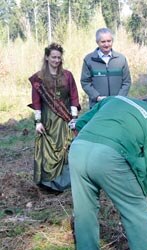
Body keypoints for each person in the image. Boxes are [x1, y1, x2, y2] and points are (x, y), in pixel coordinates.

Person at [68, 96, 147, 250]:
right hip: (108, 157)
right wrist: (142, 192)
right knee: (135, 206)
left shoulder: (114, 99)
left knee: (84, 209)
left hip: (78, 150)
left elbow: (81, 122)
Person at [28, 43, 80, 192]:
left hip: (65, 119)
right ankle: (48, 184)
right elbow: (36, 101)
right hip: (47, 119)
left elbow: (74, 96)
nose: (56, 60)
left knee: (67, 147)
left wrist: (74, 118)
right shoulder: (39, 78)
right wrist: (38, 122)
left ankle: (65, 183)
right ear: (46, 57)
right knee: (47, 150)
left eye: (59, 57)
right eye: (53, 57)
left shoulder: (68, 75)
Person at [81, 27, 131, 109]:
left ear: (112, 41)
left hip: (118, 105)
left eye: (109, 41)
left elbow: (126, 82)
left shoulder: (121, 59)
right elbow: (85, 82)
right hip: (97, 106)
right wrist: (97, 97)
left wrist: (119, 98)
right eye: (103, 42)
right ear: (97, 42)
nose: (106, 44)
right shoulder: (89, 60)